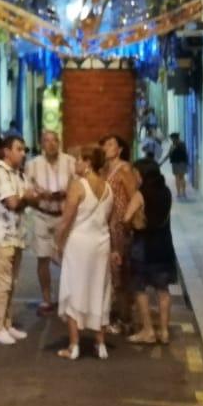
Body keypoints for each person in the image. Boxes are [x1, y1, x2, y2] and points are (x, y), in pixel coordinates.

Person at [54, 145, 114, 360]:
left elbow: (66, 220)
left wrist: (57, 243)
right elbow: (108, 219)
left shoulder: (78, 185)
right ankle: (101, 344)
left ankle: (74, 346)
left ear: (88, 162)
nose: (75, 163)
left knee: (74, 289)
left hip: (79, 243)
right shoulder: (108, 187)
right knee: (99, 289)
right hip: (102, 243)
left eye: (78, 160)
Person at [0, 135, 39, 345]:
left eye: (24, 150)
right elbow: (13, 202)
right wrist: (27, 197)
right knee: (2, 284)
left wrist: (27, 197)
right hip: (1, 237)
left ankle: (6, 324)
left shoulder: (17, 174)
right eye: (19, 149)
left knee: (11, 284)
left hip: (16, 236)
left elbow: (27, 199)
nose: (23, 153)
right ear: (6, 152)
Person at [128, 159, 178, 345]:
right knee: (163, 290)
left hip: (144, 247)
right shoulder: (166, 192)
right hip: (164, 246)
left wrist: (133, 221)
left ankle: (148, 330)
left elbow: (126, 217)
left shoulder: (141, 194)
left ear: (142, 174)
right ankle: (164, 331)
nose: (134, 177)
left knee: (140, 288)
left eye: (135, 173)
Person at [27, 130, 75, 316]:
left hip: (64, 215)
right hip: (42, 214)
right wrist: (40, 195)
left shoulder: (70, 162)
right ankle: (47, 298)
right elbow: (27, 190)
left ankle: (69, 298)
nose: (51, 144)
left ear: (59, 142)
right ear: (42, 144)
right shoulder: (33, 165)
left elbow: (78, 185)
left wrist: (66, 193)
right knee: (43, 258)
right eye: (47, 141)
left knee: (68, 257)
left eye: (54, 140)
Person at [101, 134, 142, 334]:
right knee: (112, 272)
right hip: (107, 225)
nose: (106, 148)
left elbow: (134, 196)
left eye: (111, 144)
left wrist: (129, 221)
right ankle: (116, 315)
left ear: (120, 149)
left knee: (121, 273)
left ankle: (125, 318)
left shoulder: (124, 169)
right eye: (105, 144)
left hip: (120, 226)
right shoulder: (105, 170)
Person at [167, 134, 190, 200]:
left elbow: (169, 154)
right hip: (183, 163)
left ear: (174, 138)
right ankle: (184, 193)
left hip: (175, 163)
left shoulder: (173, 146)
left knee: (177, 178)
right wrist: (187, 162)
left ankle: (179, 193)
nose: (171, 140)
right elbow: (186, 153)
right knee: (182, 177)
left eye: (172, 139)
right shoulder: (183, 144)